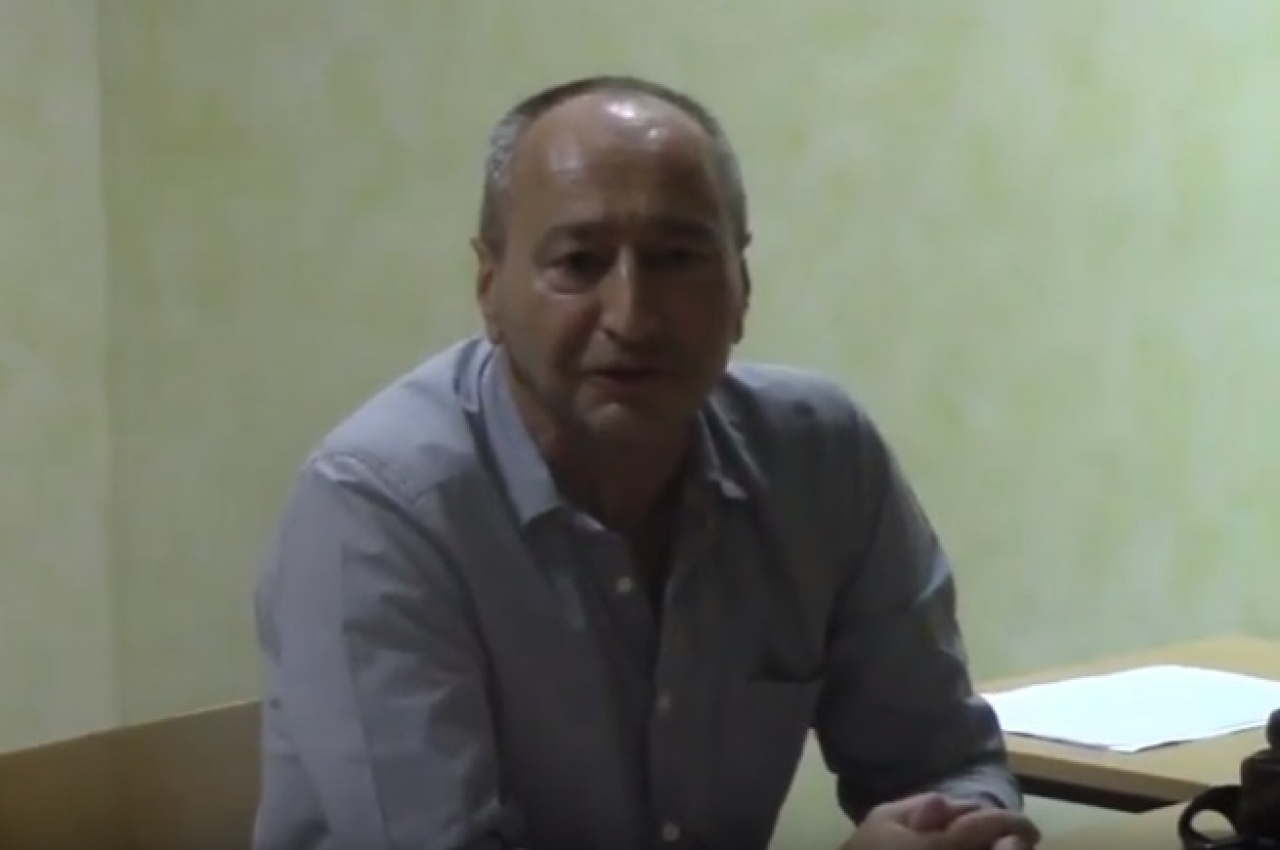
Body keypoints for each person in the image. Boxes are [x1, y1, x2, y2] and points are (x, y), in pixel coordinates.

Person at [252, 75, 1038, 850]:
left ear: (742, 286)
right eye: (578, 262)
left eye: (676, 257)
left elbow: (940, 761)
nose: (632, 317)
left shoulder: (819, 458)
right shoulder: (378, 506)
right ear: (490, 288)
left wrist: (963, 830)